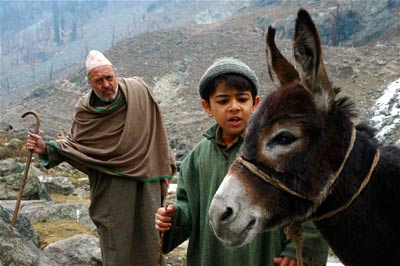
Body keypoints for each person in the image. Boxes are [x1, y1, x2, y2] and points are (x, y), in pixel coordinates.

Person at [155, 57, 329, 266]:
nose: (234, 107)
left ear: (255, 104)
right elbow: (188, 208)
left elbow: (313, 202)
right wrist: (172, 219)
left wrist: (297, 250)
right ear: (207, 107)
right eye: (223, 101)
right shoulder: (195, 159)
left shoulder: (277, 149)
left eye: (242, 99)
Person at [27, 50, 175, 266]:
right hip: (111, 185)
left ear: (115, 75)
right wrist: (46, 148)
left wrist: (165, 164)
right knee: (116, 241)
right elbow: (76, 145)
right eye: (99, 81)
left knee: (151, 238)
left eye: (109, 78)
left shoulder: (139, 91)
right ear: (89, 83)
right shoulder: (86, 110)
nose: (106, 85)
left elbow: (158, 128)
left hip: (147, 179)